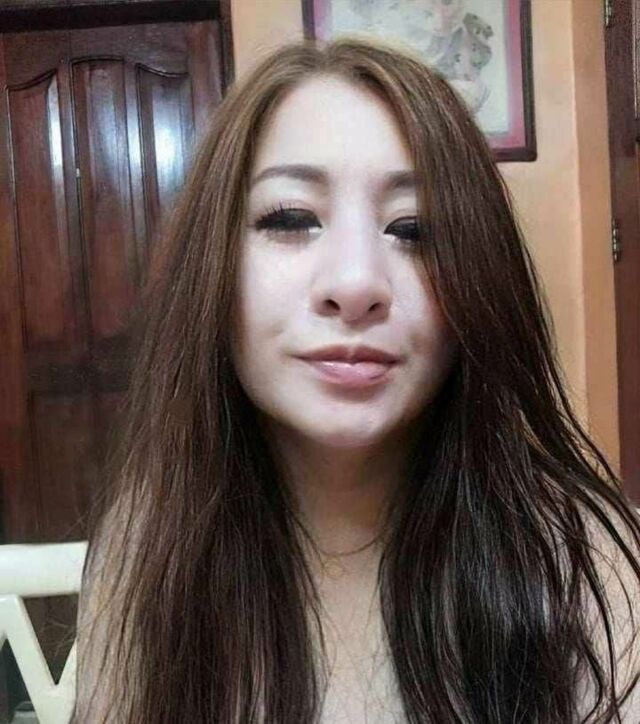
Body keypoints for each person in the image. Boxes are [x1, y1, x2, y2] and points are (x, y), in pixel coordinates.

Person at [72, 35, 640, 723]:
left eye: (414, 229)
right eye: (290, 219)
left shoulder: (583, 560)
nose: (356, 283)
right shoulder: (147, 548)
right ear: (212, 269)